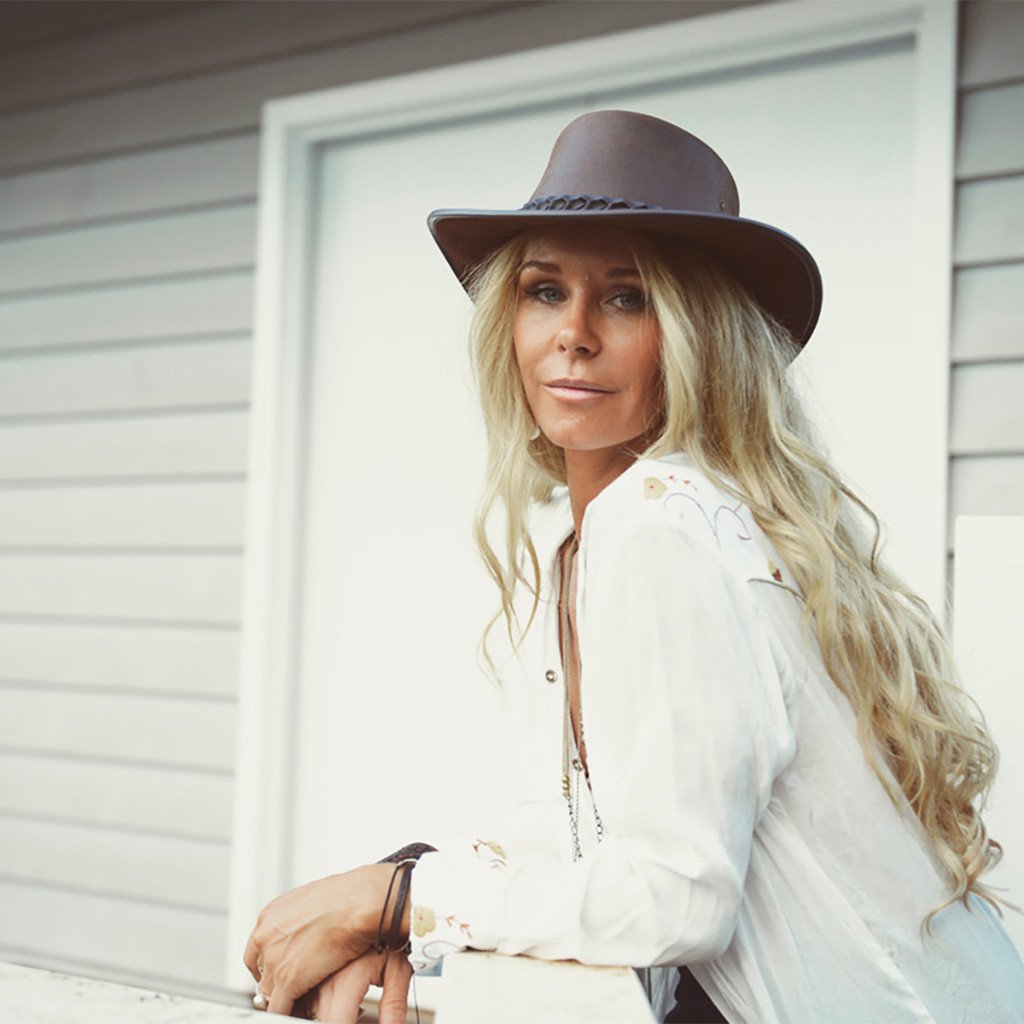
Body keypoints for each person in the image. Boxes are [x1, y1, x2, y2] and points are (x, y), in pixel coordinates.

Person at [244, 110, 1024, 1023]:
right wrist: (402, 902)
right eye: (544, 291)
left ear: (699, 336)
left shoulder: (662, 527)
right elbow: (594, 840)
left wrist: (395, 900)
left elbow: (675, 901)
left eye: (627, 298)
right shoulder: (602, 533)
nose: (574, 333)